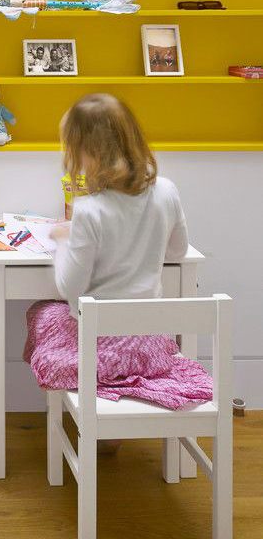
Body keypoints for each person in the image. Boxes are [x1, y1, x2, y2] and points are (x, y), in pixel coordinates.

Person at [24, 94, 191, 448]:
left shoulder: (90, 210)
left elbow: (71, 290)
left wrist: (62, 240)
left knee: (42, 314)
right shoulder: (166, 191)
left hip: (102, 351)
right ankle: (110, 425)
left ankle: (98, 414)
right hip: (151, 346)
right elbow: (177, 251)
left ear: (88, 151)